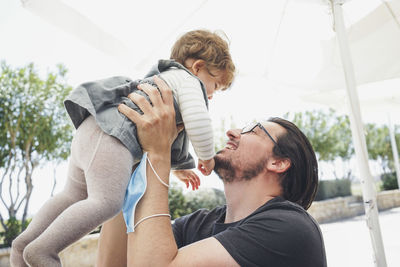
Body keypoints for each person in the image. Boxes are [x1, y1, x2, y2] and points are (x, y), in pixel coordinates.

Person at [10, 30, 235, 267]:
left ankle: (23, 245)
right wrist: (207, 157)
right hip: (114, 138)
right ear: (198, 67)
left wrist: (179, 168)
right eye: (215, 85)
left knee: (72, 195)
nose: (211, 95)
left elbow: (166, 135)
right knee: (106, 202)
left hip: (92, 128)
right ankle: (44, 250)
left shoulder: (166, 78)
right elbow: (198, 121)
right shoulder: (189, 81)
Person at [96, 77, 327, 267]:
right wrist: (132, 159)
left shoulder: (289, 228)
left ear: (278, 163)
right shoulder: (197, 225)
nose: (233, 132)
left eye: (253, 131)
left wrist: (157, 152)